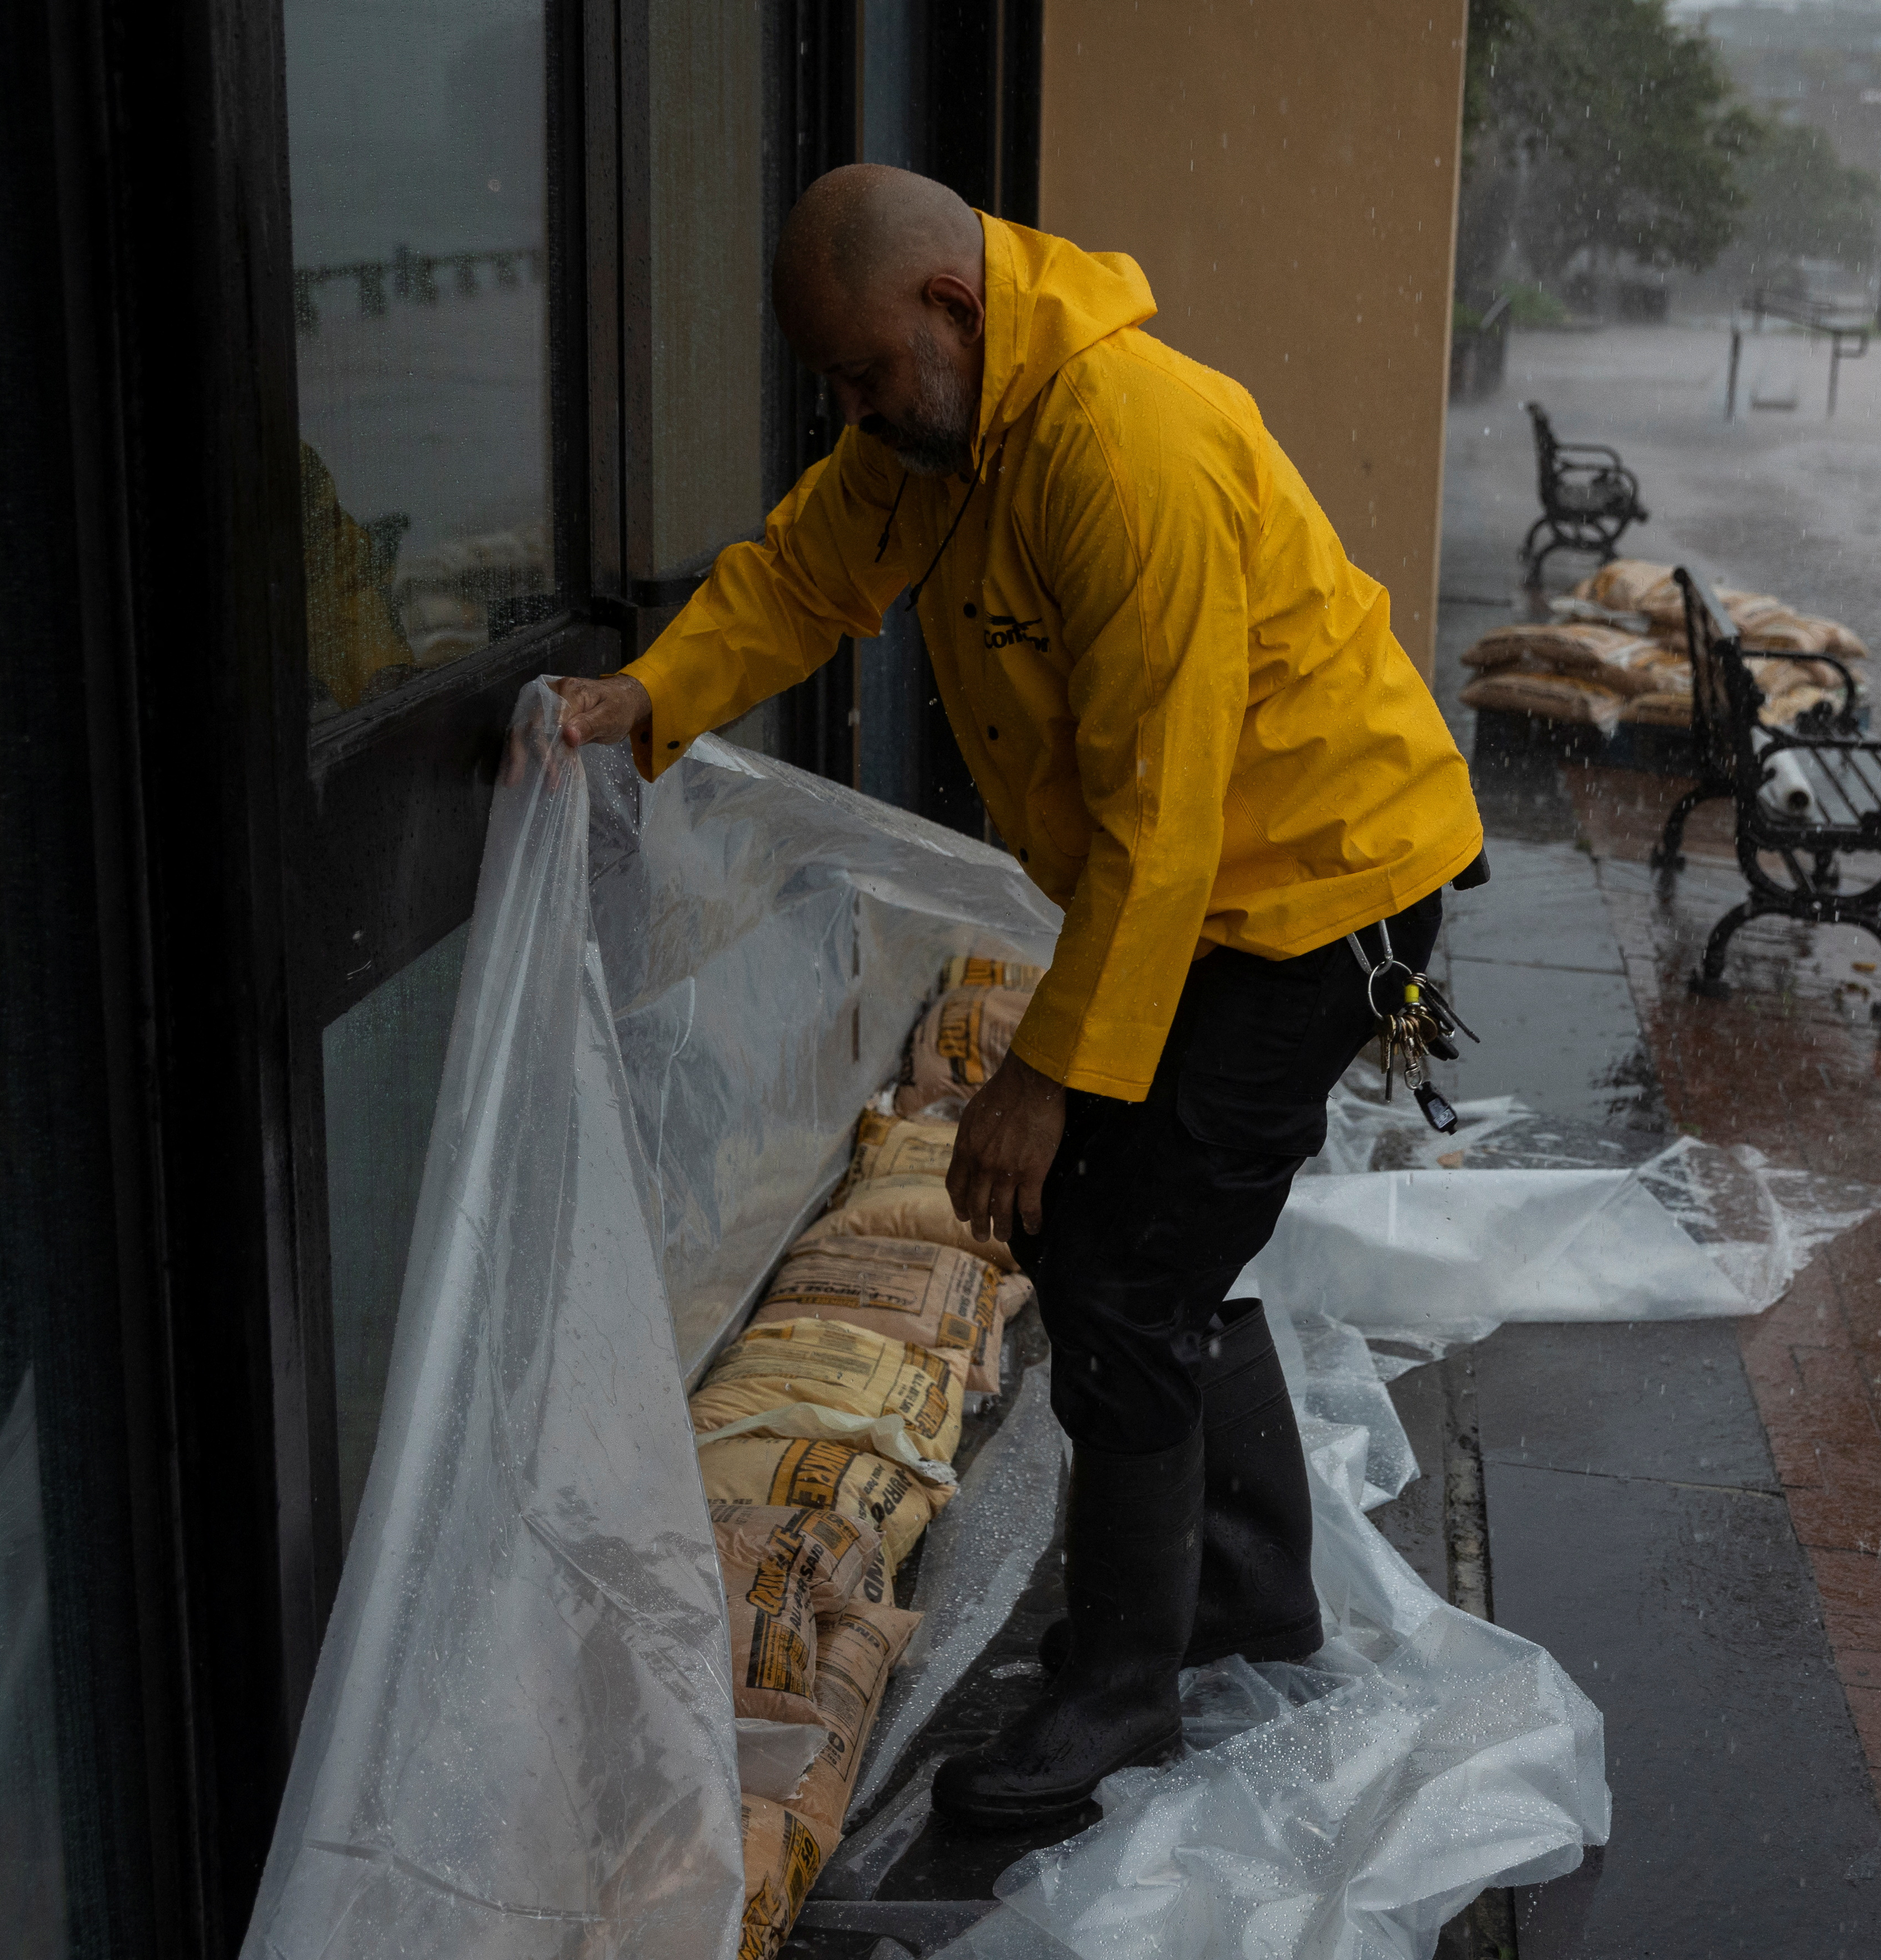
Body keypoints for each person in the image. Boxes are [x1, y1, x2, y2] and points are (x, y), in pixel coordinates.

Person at [550, 165, 1483, 1826]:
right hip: (1208, 894)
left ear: (952, 309)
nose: (851, 413)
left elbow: (1161, 820)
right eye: (833, 386)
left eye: (863, 376)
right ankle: (1246, 1594)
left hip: (1318, 895)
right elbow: (804, 577)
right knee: (1128, 1237)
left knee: (1122, 1261)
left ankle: (1122, 1684)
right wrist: (644, 697)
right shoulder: (951, 425)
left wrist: (1043, 1077)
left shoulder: (1120, 449)